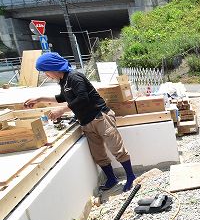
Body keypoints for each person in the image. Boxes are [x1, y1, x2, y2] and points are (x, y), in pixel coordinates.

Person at [24, 52, 136, 192]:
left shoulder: (74, 77)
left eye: (46, 72)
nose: (47, 76)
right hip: (86, 121)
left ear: (53, 68)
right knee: (98, 154)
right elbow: (63, 97)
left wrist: (62, 110)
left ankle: (131, 176)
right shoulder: (64, 81)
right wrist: (39, 99)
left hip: (100, 117)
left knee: (116, 149)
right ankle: (111, 179)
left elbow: (83, 98)